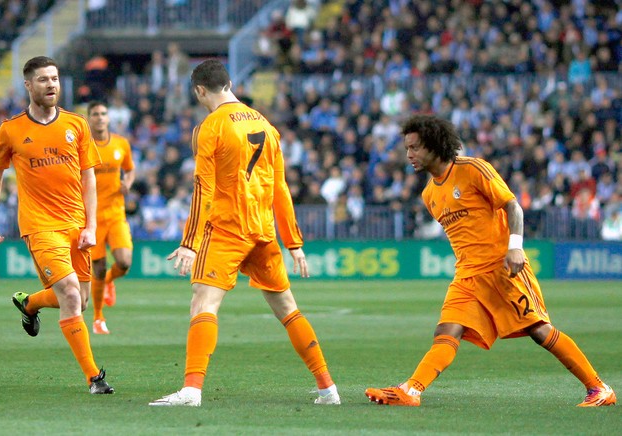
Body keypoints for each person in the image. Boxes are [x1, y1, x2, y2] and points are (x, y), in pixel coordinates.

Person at [365, 115, 615, 408]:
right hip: (467, 276)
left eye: (415, 147)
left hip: (503, 268)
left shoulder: (473, 169)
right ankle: (411, 390)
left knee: (539, 330)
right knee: (446, 331)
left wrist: (515, 247)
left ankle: (599, 388)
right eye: (407, 148)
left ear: (434, 144)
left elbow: (513, 206)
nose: (409, 155)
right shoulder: (429, 194)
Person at [149, 59, 339, 407]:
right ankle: (328, 388)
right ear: (231, 83)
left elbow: (203, 187)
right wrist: (293, 242)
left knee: (203, 303)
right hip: (263, 230)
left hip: (226, 227)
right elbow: (280, 187)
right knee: (288, 309)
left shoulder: (211, 126)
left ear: (200, 90)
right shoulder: (266, 125)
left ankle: (191, 390)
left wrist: (189, 242)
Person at [0, 56, 113, 394]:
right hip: (40, 225)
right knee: (70, 293)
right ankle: (94, 378)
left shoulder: (77, 125)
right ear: (28, 85)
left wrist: (92, 225)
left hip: (76, 224)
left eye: (54, 78)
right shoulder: (11, 129)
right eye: (43, 79)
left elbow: (89, 179)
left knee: (79, 301)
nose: (51, 84)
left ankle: (30, 304)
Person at [86, 101, 136, 334]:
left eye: (103, 113)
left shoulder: (121, 144)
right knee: (97, 267)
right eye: (95, 114)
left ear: (108, 118)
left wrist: (128, 182)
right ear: (89, 118)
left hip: (116, 213)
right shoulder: (83, 147)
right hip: (92, 216)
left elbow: (131, 168)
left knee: (124, 263)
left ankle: (108, 281)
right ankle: (98, 318)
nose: (99, 117)